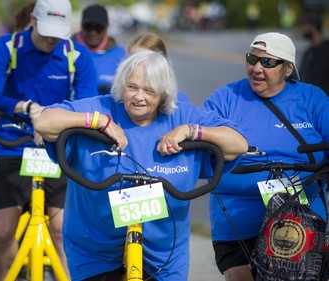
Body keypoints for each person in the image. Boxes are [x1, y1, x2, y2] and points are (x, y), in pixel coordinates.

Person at [34, 50, 248, 281]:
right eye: (132, 87)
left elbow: (238, 144)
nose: (139, 97)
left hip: (163, 250)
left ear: (163, 93)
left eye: (150, 90)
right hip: (95, 245)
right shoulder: (100, 107)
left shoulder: (182, 116)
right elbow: (45, 122)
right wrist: (97, 121)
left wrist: (191, 131)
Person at [0, 0, 98, 279]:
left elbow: (88, 105)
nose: (50, 38)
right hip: (13, 144)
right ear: (32, 19)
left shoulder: (77, 56)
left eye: (57, 33)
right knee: (5, 230)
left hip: (56, 148)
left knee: (61, 230)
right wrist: (27, 108)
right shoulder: (7, 46)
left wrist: (52, 121)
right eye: (45, 31)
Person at [202, 32, 329, 281]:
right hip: (237, 221)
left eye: (268, 62)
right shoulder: (225, 98)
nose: (257, 68)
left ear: (288, 68)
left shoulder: (312, 99)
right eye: (252, 59)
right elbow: (199, 144)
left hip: (302, 220)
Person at [74, 4, 126, 95]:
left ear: (106, 28)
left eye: (98, 27)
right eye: (88, 27)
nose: (93, 32)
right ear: (81, 26)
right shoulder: (66, 48)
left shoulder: (120, 54)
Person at [127, 32, 191, 103]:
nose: (137, 64)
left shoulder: (179, 101)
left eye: (145, 58)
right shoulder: (116, 93)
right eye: (132, 58)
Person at [298, 13, 329, 96]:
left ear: (312, 26)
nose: (302, 28)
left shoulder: (326, 51)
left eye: (304, 25)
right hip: (308, 101)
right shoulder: (308, 52)